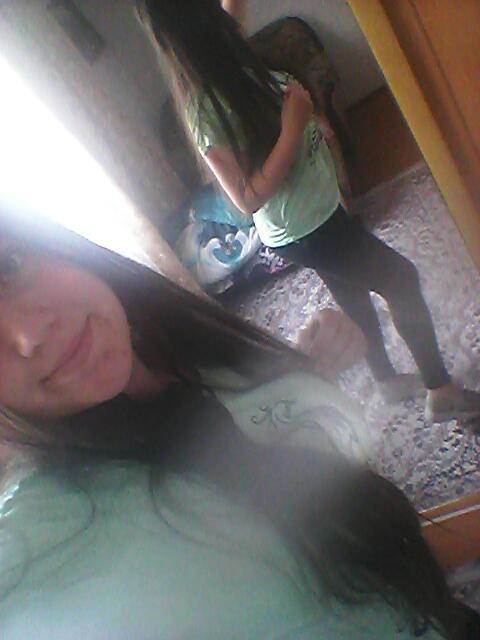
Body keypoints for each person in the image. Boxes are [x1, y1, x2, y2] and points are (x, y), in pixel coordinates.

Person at [0, 207, 479, 639]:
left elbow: (312, 484)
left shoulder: (180, 341)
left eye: (8, 266)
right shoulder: (50, 524)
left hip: (428, 600)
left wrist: (304, 378)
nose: (27, 335)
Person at [134, 0, 480, 424]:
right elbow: (247, 198)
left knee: (352, 292)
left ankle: (386, 381)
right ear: (192, 23)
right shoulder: (204, 109)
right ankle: (441, 391)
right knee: (401, 279)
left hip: (318, 210)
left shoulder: (224, 50)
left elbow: (231, 10)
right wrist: (294, 126)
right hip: (304, 229)